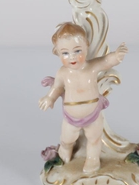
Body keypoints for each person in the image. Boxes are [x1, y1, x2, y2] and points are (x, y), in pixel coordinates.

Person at [39, 22, 128, 172]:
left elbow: (106, 61)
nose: (72, 57)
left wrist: (117, 56)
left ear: (86, 47)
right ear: (58, 53)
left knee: (94, 139)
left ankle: (92, 159)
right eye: (65, 53)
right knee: (66, 139)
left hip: (93, 113)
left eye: (77, 50)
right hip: (71, 116)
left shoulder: (92, 66)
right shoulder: (63, 72)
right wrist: (50, 98)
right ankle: (65, 149)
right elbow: (57, 87)